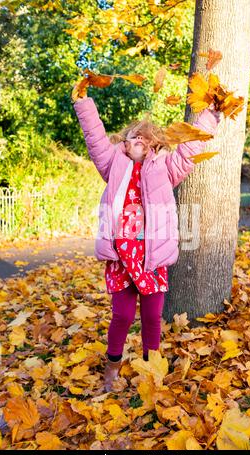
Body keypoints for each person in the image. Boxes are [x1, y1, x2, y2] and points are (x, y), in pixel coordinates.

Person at [73, 93, 220, 392]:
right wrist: (83, 103)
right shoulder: (112, 164)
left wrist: (211, 115)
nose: (138, 138)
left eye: (145, 136)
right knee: (123, 315)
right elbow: (95, 138)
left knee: (153, 317)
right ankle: (111, 370)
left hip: (151, 257)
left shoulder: (165, 168)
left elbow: (190, 150)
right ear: (124, 143)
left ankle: (150, 369)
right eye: (132, 135)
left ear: (154, 144)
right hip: (121, 256)